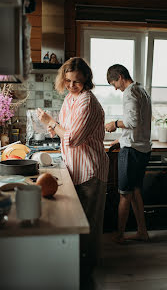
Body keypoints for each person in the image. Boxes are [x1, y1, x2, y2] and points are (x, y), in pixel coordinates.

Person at [37, 57, 109, 281]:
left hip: (90, 170)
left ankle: (86, 274)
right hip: (74, 168)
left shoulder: (87, 101)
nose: (71, 85)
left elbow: (73, 137)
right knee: (77, 224)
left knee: (87, 225)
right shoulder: (71, 98)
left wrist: (51, 122)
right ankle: (76, 268)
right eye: (68, 81)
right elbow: (63, 127)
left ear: (86, 79)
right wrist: (52, 125)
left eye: (76, 82)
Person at [105, 64, 152, 244]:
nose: (115, 88)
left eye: (114, 83)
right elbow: (139, 122)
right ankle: (142, 232)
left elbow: (132, 121)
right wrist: (122, 138)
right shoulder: (141, 90)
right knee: (135, 191)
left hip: (132, 151)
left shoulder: (130, 92)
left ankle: (119, 234)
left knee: (124, 193)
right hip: (142, 149)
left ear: (120, 76)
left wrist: (114, 124)